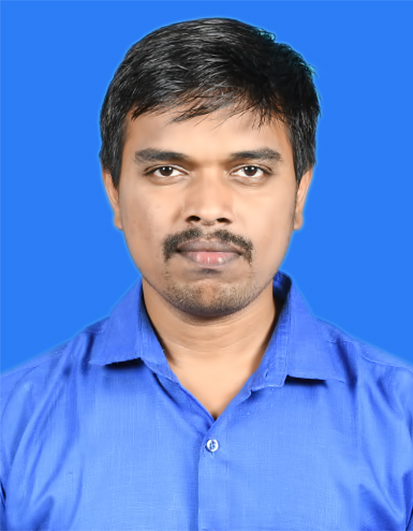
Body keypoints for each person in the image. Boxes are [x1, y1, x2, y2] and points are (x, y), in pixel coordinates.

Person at [1, 16, 412, 531]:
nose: (209, 209)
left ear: (299, 194)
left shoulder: (402, 423)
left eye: (249, 171)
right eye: (167, 170)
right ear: (114, 192)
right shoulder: (12, 424)